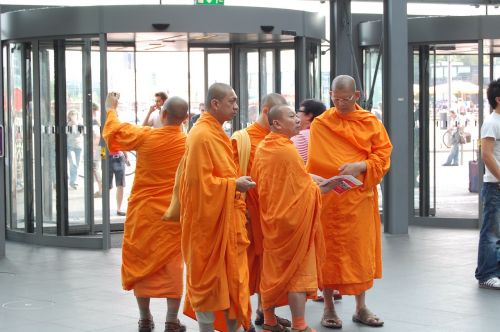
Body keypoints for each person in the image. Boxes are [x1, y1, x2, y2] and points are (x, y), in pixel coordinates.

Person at [307, 75, 392, 328]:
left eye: (346, 98)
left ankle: (360, 307)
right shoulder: (322, 123)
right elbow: (316, 162)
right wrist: (329, 178)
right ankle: (329, 308)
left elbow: (384, 154)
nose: (341, 103)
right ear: (330, 94)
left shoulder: (370, 122)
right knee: (329, 252)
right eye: (336, 97)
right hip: (331, 199)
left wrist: (361, 165)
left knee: (359, 253)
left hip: (359, 199)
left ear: (357, 95)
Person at [103, 93, 189, 332]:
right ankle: (171, 320)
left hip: (144, 213)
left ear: (162, 114)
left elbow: (114, 132)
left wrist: (111, 108)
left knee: (141, 262)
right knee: (173, 266)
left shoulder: (146, 136)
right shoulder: (189, 143)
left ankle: (144, 318)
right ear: (186, 119)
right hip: (173, 215)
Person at [179, 83, 255, 332]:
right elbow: (199, 185)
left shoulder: (216, 133)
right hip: (208, 225)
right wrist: (234, 185)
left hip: (227, 220)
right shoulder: (202, 135)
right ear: (215, 104)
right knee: (209, 282)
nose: (236, 106)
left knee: (234, 282)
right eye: (232, 101)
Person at [251, 104, 325, 332]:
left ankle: (270, 321)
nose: (297, 120)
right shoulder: (287, 149)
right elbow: (300, 188)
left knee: (272, 270)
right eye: (291, 116)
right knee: (297, 273)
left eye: (296, 115)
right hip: (292, 221)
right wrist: (318, 187)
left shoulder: (265, 147)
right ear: (276, 124)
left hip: (271, 218)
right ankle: (300, 325)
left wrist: (309, 178)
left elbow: (271, 180)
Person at [231, 93, 290, 330]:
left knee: (269, 266)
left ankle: (266, 314)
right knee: (245, 267)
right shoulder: (242, 139)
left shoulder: (281, 139)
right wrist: (239, 205)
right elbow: (232, 174)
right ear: (266, 112)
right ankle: (243, 315)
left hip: (272, 215)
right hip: (248, 214)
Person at [475, 78, 500, 290]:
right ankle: (486, 274)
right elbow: (487, 155)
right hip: (495, 186)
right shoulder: (492, 123)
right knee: (491, 231)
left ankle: (495, 271)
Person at [292, 99, 326, 164]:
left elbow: (293, 162)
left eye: (299, 111)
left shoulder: (302, 136)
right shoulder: (322, 133)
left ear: (309, 116)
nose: (297, 114)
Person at [67, 109, 83, 190]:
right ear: (69, 116)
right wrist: (71, 123)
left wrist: (76, 123)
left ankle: (74, 181)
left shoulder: (79, 123)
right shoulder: (68, 124)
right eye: (71, 114)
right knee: (73, 163)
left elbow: (79, 133)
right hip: (70, 146)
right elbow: (67, 134)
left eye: (74, 114)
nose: (73, 115)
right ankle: (73, 181)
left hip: (78, 146)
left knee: (77, 164)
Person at [92, 103, 103, 197]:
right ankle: (100, 189)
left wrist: (93, 149)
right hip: (102, 147)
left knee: (96, 167)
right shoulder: (99, 117)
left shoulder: (95, 119)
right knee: (99, 166)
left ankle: (101, 189)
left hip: (98, 148)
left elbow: (97, 136)